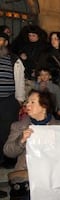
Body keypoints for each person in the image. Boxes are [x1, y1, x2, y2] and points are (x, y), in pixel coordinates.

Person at [0, 32, 25, 170]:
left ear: (6, 43)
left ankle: (8, 160)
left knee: (7, 131)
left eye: (2, 40)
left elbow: (20, 80)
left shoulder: (13, 59)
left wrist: (20, 100)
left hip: (8, 101)